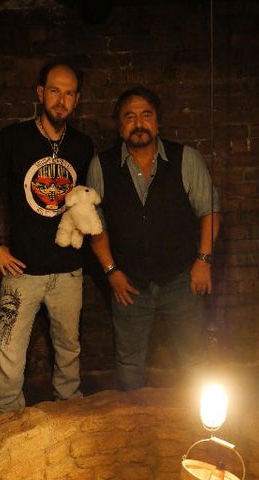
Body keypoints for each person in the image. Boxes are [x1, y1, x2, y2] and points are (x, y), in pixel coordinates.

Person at [0, 61, 96, 415]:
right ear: (41, 94)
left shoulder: (84, 146)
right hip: (20, 271)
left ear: (77, 100)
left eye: (69, 93)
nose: (61, 100)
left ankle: (69, 410)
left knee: (69, 347)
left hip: (69, 269)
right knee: (8, 350)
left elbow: (94, 200)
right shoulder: (14, 138)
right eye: (55, 90)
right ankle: (6, 420)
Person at [87, 86, 221, 390]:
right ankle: (134, 426)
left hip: (182, 279)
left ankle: (201, 425)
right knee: (129, 361)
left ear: (157, 122)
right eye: (129, 117)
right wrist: (111, 272)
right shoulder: (101, 167)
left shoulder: (186, 159)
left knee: (194, 358)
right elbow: (95, 225)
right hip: (129, 283)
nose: (139, 123)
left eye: (146, 115)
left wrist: (203, 261)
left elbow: (210, 213)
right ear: (120, 127)